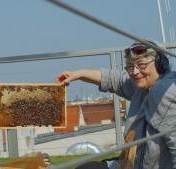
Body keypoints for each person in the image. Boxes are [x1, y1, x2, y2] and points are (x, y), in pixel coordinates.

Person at [56, 40, 176, 169]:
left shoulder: (164, 92)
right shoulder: (142, 85)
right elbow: (115, 79)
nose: (135, 72)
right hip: (129, 163)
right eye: (130, 66)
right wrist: (78, 74)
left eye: (142, 65)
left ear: (160, 64)